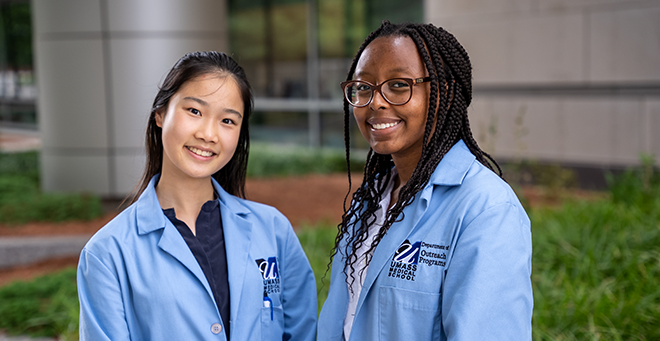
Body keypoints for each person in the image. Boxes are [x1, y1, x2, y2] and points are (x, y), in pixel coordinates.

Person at [77, 51, 317, 341]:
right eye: (194, 111)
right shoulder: (107, 253)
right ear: (160, 114)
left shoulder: (274, 230)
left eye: (228, 121)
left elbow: (303, 332)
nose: (208, 134)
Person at [317, 21, 533, 340]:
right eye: (363, 87)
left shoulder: (485, 209)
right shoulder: (373, 198)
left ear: (444, 93)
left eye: (399, 85)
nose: (375, 101)